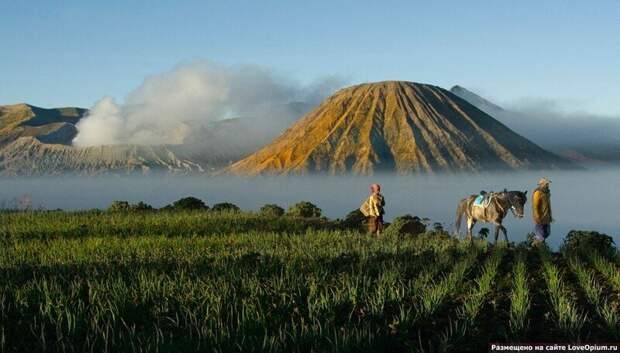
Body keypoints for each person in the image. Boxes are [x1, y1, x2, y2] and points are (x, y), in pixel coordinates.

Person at [532, 177, 553, 246]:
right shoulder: (537, 193)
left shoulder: (547, 193)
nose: (548, 185)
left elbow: (548, 205)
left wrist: (550, 216)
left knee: (547, 233)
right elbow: (535, 206)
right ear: (542, 184)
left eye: (548, 184)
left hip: (546, 217)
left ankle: (536, 243)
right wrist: (537, 217)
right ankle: (536, 246)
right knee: (541, 236)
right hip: (540, 218)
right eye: (546, 184)